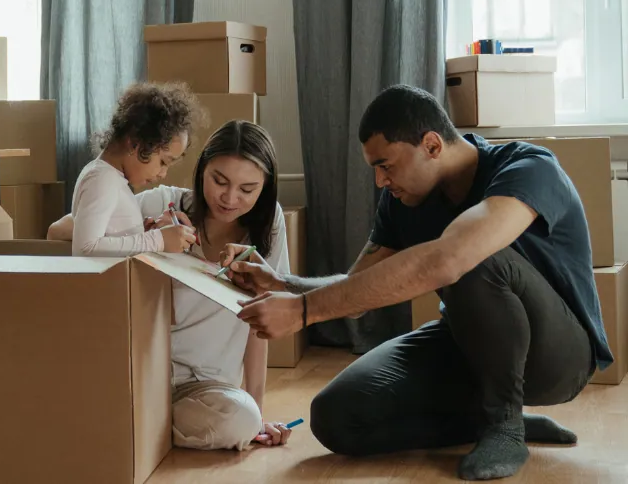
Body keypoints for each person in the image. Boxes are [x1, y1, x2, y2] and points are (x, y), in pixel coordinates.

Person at [223, 85, 608, 480]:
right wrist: (284, 284)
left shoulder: (528, 167)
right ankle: (486, 420)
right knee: (336, 416)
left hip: (559, 357)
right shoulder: (402, 199)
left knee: (472, 255)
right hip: (466, 345)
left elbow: (452, 258)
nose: (379, 181)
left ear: (432, 145)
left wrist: (304, 313)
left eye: (386, 165)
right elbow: (359, 288)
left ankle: (504, 426)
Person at [50, 119, 296, 450]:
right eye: (219, 180)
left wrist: (258, 412)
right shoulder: (162, 203)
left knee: (242, 420)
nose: (229, 198)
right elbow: (59, 231)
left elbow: (260, 322)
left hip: (206, 388)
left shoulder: (269, 227)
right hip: (142, 373)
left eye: (247, 189)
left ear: (265, 188)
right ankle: (138, 423)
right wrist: (148, 235)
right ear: (201, 170)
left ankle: (135, 426)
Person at [68, 81, 201, 257]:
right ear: (135, 142)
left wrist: (141, 235)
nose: (163, 174)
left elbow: (110, 239)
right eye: (163, 162)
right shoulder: (102, 179)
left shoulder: (112, 178)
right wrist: (157, 240)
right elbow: (85, 248)